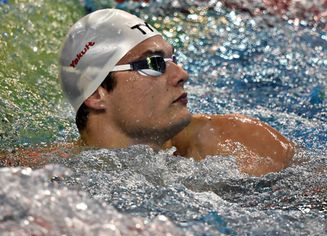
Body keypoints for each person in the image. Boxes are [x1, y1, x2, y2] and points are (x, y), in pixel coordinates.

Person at [58, 8, 295, 176]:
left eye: (173, 59)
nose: (181, 74)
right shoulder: (48, 174)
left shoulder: (239, 145)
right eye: (152, 64)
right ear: (96, 95)